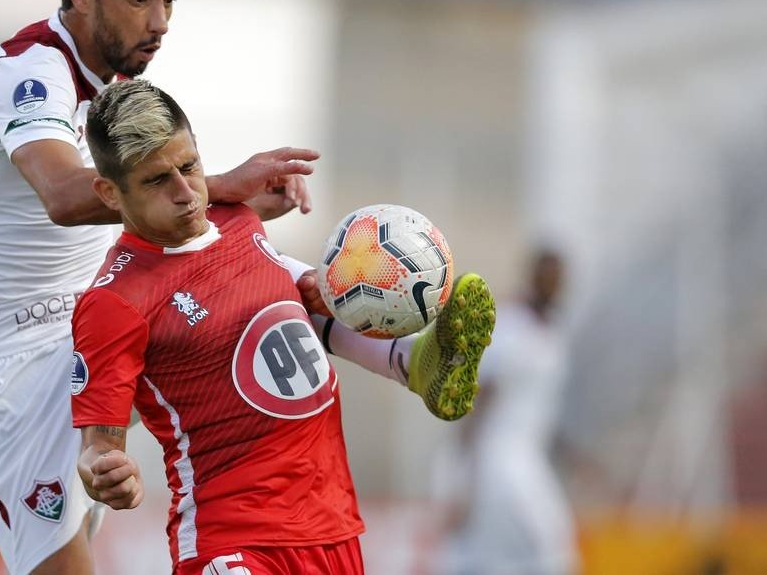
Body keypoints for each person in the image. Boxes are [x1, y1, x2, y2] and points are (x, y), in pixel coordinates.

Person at [0, 0, 318, 573]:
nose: (159, 21)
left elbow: (142, 199)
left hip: (96, 333)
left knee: (241, 268)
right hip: (12, 376)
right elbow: (63, 195)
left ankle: (391, 344)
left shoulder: (111, 90)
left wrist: (226, 202)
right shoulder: (31, 71)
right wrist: (220, 185)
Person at [70, 79, 497, 574]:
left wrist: (320, 293)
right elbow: (98, 446)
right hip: (233, 542)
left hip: (331, 527)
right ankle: (407, 361)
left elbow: (275, 318)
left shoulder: (238, 222)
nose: (185, 193)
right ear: (110, 192)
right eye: (156, 181)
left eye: (189, 166)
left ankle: (407, 357)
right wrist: (107, 472)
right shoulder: (115, 302)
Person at [432, 249, 579, 575]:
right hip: (498, 461)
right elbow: (476, 401)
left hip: (528, 457)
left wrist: (574, 457)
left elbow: (537, 408)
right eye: (547, 277)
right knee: (553, 548)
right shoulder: (510, 325)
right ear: (533, 276)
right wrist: (458, 477)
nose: (553, 285)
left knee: (492, 558)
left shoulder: (552, 330)